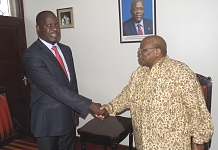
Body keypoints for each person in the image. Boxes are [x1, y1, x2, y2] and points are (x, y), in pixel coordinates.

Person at [99, 35, 214, 150]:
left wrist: (198, 142)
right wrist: (109, 108)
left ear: (157, 51)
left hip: (172, 145)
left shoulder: (180, 72)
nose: (138, 53)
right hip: (143, 144)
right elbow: (126, 97)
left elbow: (197, 111)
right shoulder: (138, 74)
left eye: (142, 50)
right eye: (139, 50)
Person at [22, 10, 108, 150]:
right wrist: (89, 105)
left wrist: (75, 112)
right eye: (49, 25)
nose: (54, 29)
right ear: (38, 28)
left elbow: (72, 84)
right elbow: (53, 88)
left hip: (67, 120)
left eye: (56, 25)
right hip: (48, 124)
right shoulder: (31, 55)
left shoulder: (66, 50)